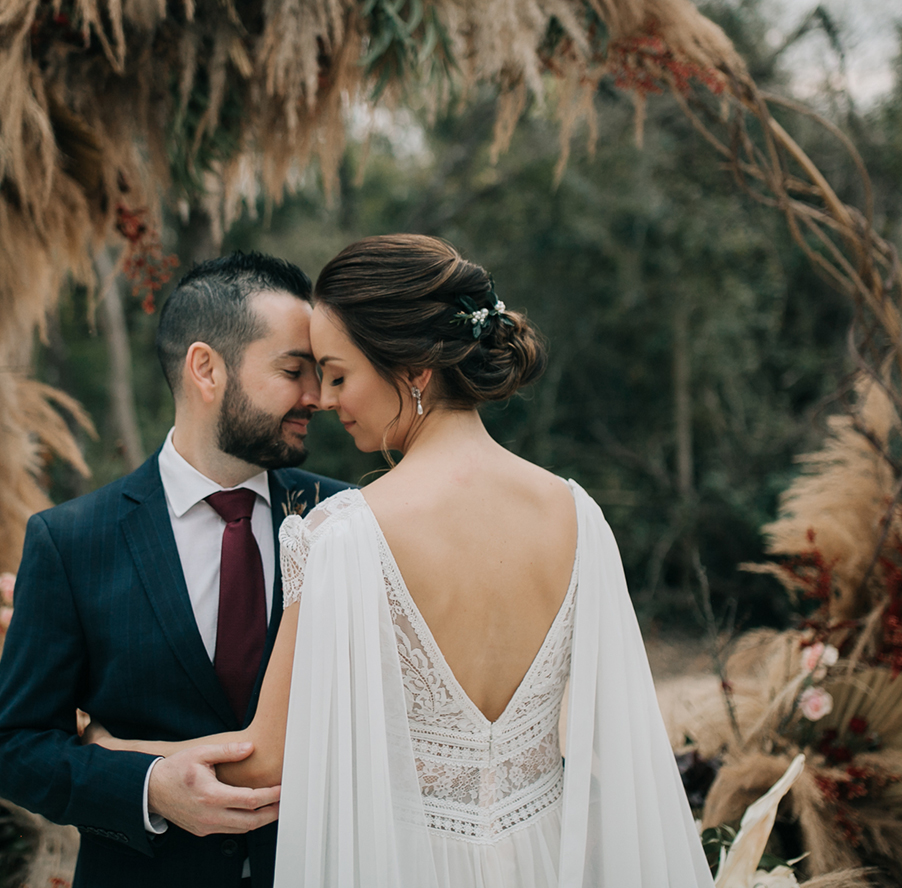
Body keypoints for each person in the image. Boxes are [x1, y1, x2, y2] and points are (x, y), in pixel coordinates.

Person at [85, 235, 714, 887]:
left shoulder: (342, 536)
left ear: (415, 371)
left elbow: (264, 768)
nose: (324, 401)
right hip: (545, 859)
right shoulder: (576, 514)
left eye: (338, 374)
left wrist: (112, 750)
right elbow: (620, 742)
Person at [0, 252, 350, 888]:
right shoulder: (70, 541)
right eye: (294, 371)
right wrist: (148, 787)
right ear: (206, 369)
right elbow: (13, 750)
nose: (315, 397)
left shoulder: (344, 517)